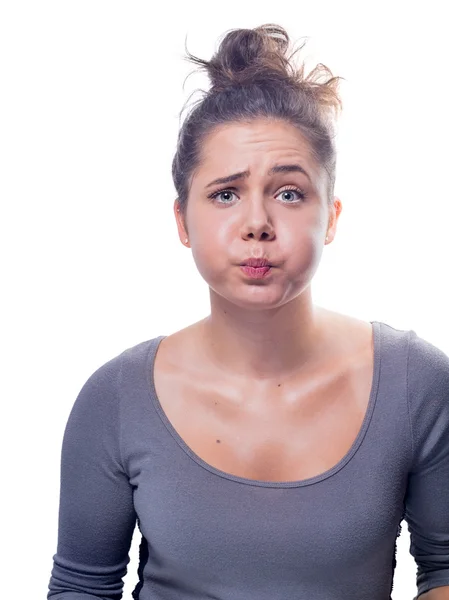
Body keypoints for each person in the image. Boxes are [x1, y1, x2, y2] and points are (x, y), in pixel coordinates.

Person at [47, 24, 449, 600]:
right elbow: (82, 587)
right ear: (183, 221)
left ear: (331, 217)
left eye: (288, 193)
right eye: (225, 194)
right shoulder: (115, 398)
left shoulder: (419, 384)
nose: (257, 222)